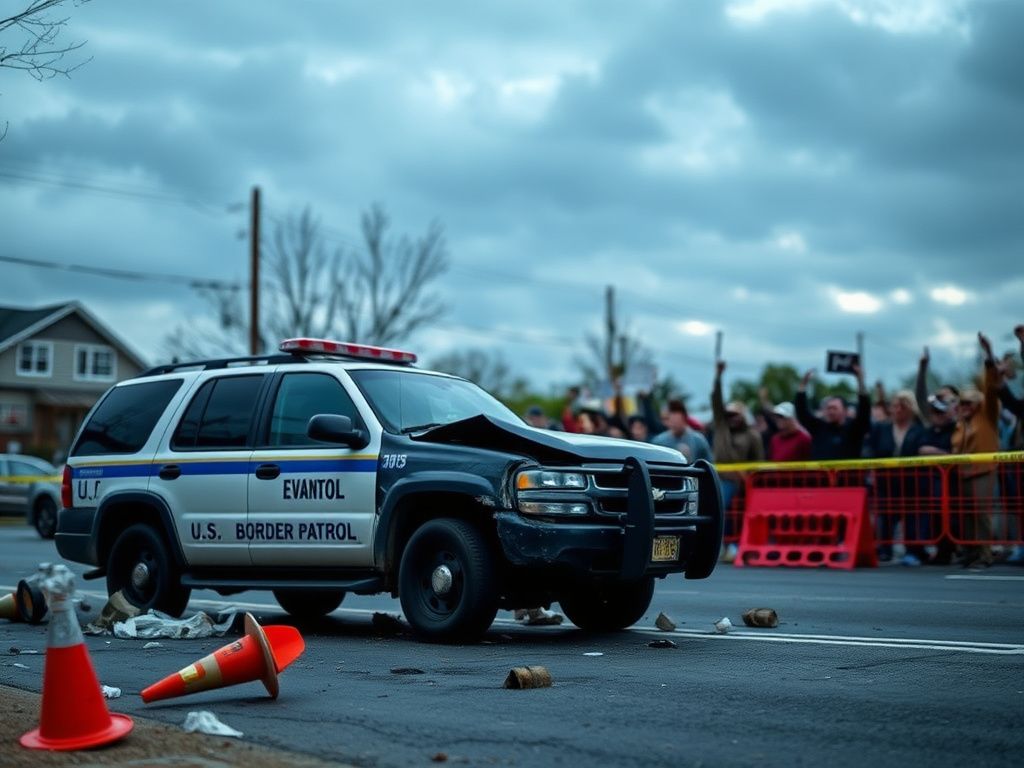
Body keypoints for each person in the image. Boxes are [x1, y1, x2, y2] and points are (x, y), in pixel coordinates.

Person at [952, 333, 1002, 568]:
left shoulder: (987, 416)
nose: (964, 406)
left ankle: (986, 553)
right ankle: (971, 550)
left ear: (979, 404)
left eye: (969, 403)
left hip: (983, 471)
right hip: (963, 473)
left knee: (982, 514)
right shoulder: (961, 424)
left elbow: (991, 388)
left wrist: (988, 356)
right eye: (961, 403)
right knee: (968, 515)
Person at [863, 390, 927, 564]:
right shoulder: (881, 428)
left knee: (913, 517)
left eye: (902, 406)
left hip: (912, 482)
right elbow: (869, 447)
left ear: (910, 409)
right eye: (895, 406)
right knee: (886, 516)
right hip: (886, 482)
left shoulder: (919, 429)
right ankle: (885, 549)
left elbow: (922, 449)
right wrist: (869, 462)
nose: (897, 409)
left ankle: (914, 551)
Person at [795, 365, 871, 461]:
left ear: (845, 411)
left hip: (848, 476)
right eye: (828, 408)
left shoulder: (854, 429)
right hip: (821, 476)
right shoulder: (818, 427)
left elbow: (864, 411)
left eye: (834, 408)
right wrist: (803, 386)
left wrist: (860, 381)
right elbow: (802, 412)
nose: (830, 411)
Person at [651, 399, 712, 463]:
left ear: (684, 417)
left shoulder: (698, 440)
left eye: (675, 419)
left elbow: (709, 466)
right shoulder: (659, 442)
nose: (666, 423)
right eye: (664, 419)